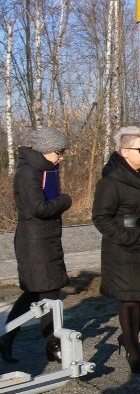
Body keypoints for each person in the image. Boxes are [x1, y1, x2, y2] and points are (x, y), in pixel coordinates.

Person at [0, 127, 72, 364]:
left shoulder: (45, 170)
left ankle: (9, 337)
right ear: (45, 150)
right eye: (59, 152)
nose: (61, 157)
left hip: (45, 239)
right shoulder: (28, 173)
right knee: (48, 290)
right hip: (34, 242)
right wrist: (65, 200)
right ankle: (52, 342)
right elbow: (39, 208)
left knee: (36, 290)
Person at [92, 126, 140, 374]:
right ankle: (133, 351)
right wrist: (128, 237)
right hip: (123, 250)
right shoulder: (111, 181)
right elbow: (101, 218)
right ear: (125, 151)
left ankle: (129, 337)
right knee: (129, 299)